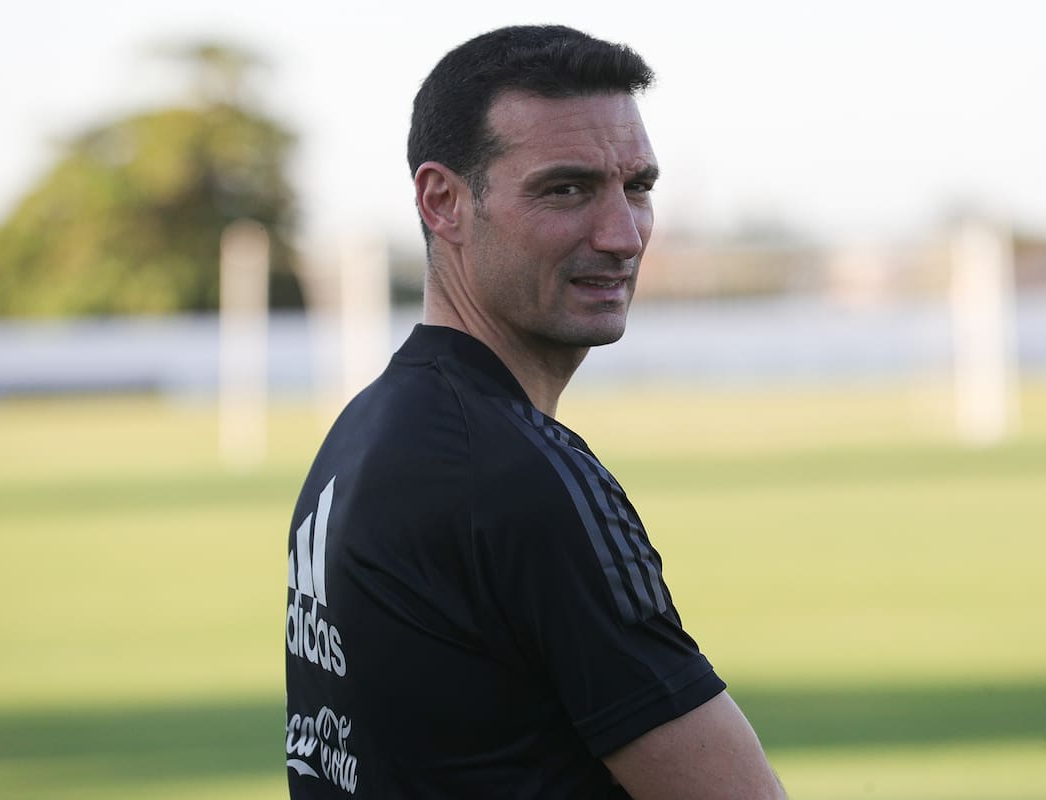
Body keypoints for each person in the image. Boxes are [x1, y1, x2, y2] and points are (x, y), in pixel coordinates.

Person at [284, 24, 786, 799]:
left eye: (638, 188)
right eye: (566, 189)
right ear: (444, 202)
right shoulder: (515, 474)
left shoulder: (366, 430)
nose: (622, 236)